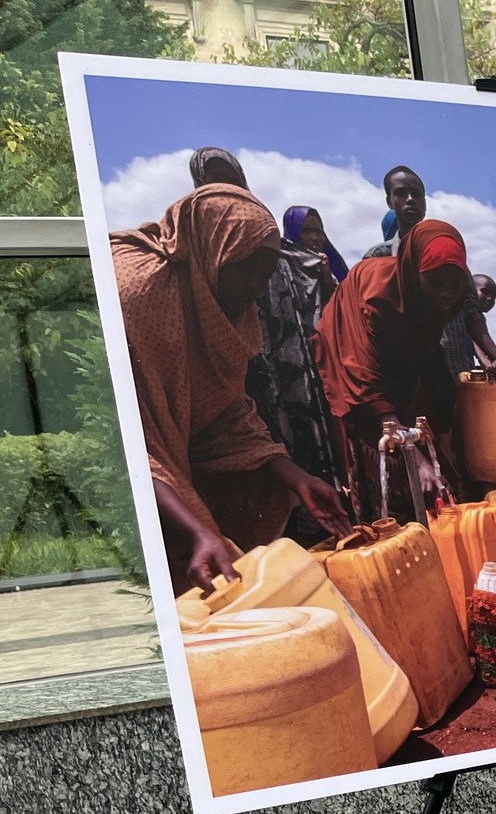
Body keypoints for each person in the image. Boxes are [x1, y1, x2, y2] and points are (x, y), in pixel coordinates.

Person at [113, 185, 350, 589]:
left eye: (266, 273)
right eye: (245, 268)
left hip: (177, 463)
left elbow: (226, 412)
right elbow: (131, 438)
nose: (257, 286)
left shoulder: (227, 305)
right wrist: (196, 530)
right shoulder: (138, 294)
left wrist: (297, 478)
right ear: (211, 248)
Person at [178, 152, 351, 535]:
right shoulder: (190, 261)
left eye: (230, 180)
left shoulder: (284, 254)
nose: (223, 190)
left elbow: (333, 294)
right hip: (237, 377)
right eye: (211, 182)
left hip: (291, 376)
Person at [317, 218, 476, 521]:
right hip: (353, 373)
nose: (446, 294)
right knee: (378, 461)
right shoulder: (377, 298)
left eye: (454, 286)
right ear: (414, 274)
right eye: (436, 283)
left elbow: (420, 353)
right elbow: (363, 377)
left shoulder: (430, 303)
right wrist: (410, 454)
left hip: (399, 372)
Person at [360, 166, 496, 381]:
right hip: (406, 382)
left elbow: (472, 315)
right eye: (401, 193)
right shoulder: (378, 258)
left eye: (417, 194)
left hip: (457, 374)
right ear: (389, 202)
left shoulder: (451, 257)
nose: (411, 200)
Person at [281, 206, 345, 301]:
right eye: (306, 231)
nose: (315, 238)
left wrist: (325, 274)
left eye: (319, 232)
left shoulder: (326, 270)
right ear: (293, 231)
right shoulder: (279, 266)